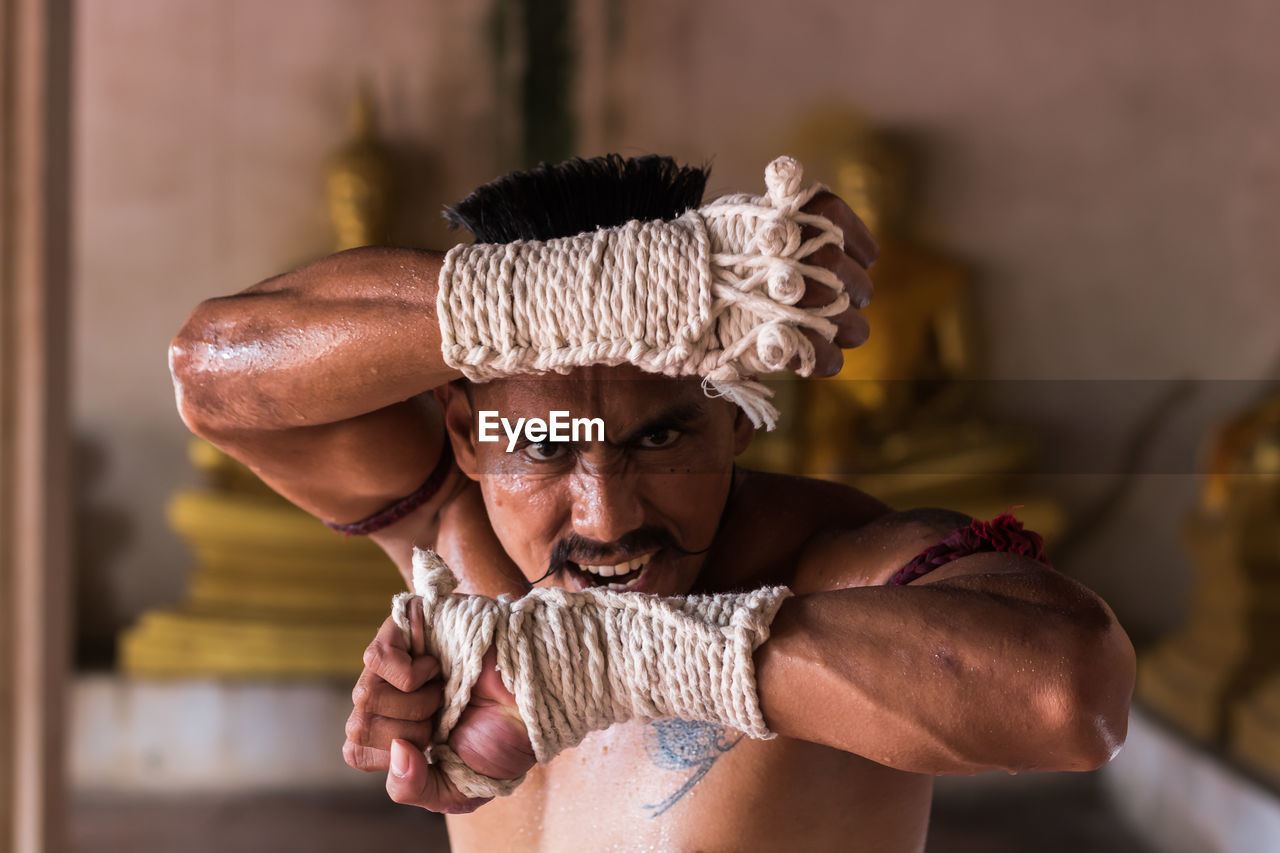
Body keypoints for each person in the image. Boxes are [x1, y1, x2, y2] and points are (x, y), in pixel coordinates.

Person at [169, 153, 1135, 852]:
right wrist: (619, 290)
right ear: (466, 435)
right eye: (542, 449)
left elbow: (1069, 698)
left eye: (661, 437)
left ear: (741, 413)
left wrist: (605, 663)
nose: (606, 519)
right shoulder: (468, 554)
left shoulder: (838, 563)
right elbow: (211, 375)